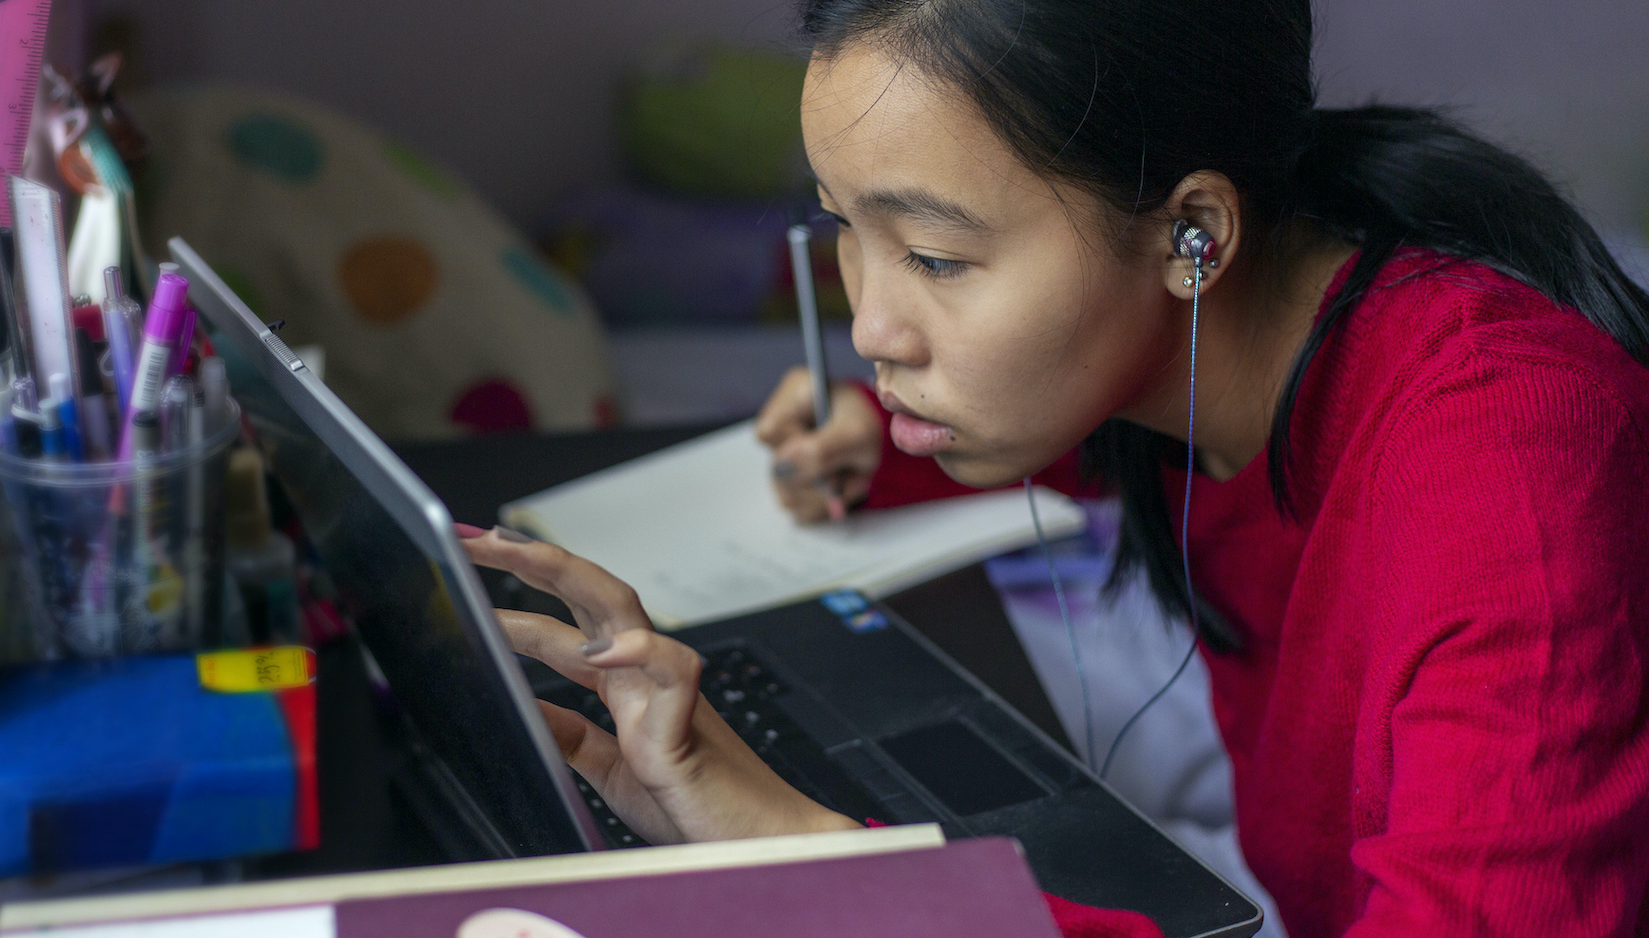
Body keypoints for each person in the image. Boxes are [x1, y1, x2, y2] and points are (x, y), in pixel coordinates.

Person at [457, 0, 1649, 934]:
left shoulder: (1506, 468)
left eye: (931, 255)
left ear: (1196, 235)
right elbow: (1088, 441)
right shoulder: (1223, 357)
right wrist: (881, 443)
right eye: (840, 232)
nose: (869, 327)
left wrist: (803, 850)